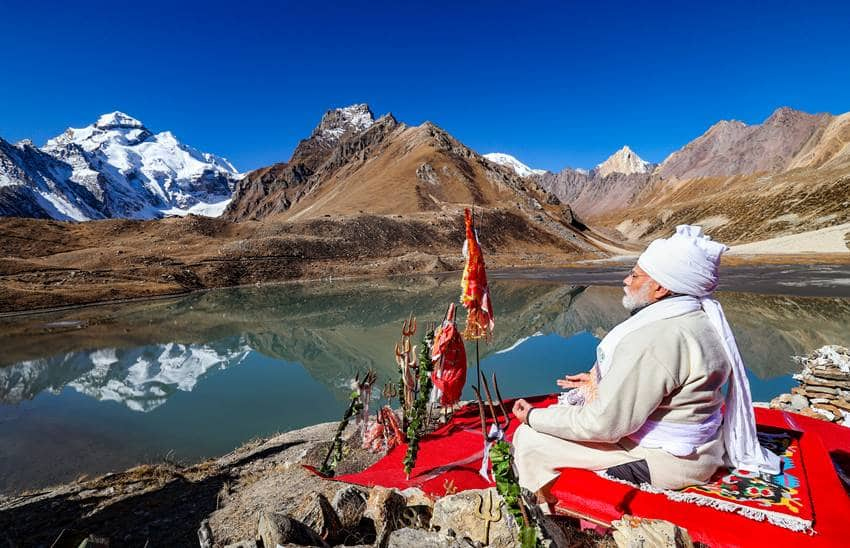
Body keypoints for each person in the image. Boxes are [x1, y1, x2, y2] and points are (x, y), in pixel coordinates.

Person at [511, 225, 780, 504]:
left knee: (531, 439)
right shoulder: (700, 319)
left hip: (666, 461)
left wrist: (532, 416)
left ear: (661, 287)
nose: (626, 281)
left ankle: (545, 515)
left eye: (635, 275)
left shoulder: (656, 338)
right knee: (564, 416)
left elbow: (605, 425)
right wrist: (598, 381)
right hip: (703, 449)